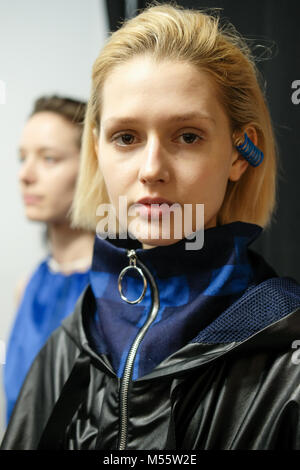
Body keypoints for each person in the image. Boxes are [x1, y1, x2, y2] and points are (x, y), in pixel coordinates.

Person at [2, 3, 300, 450]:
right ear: (98, 150)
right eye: (126, 137)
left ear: (240, 153)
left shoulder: (287, 359)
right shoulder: (70, 343)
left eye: (187, 136)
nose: (151, 168)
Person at [3, 96, 94, 423]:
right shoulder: (27, 286)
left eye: (49, 158)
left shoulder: (121, 287)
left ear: (92, 167)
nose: (25, 175)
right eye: (22, 158)